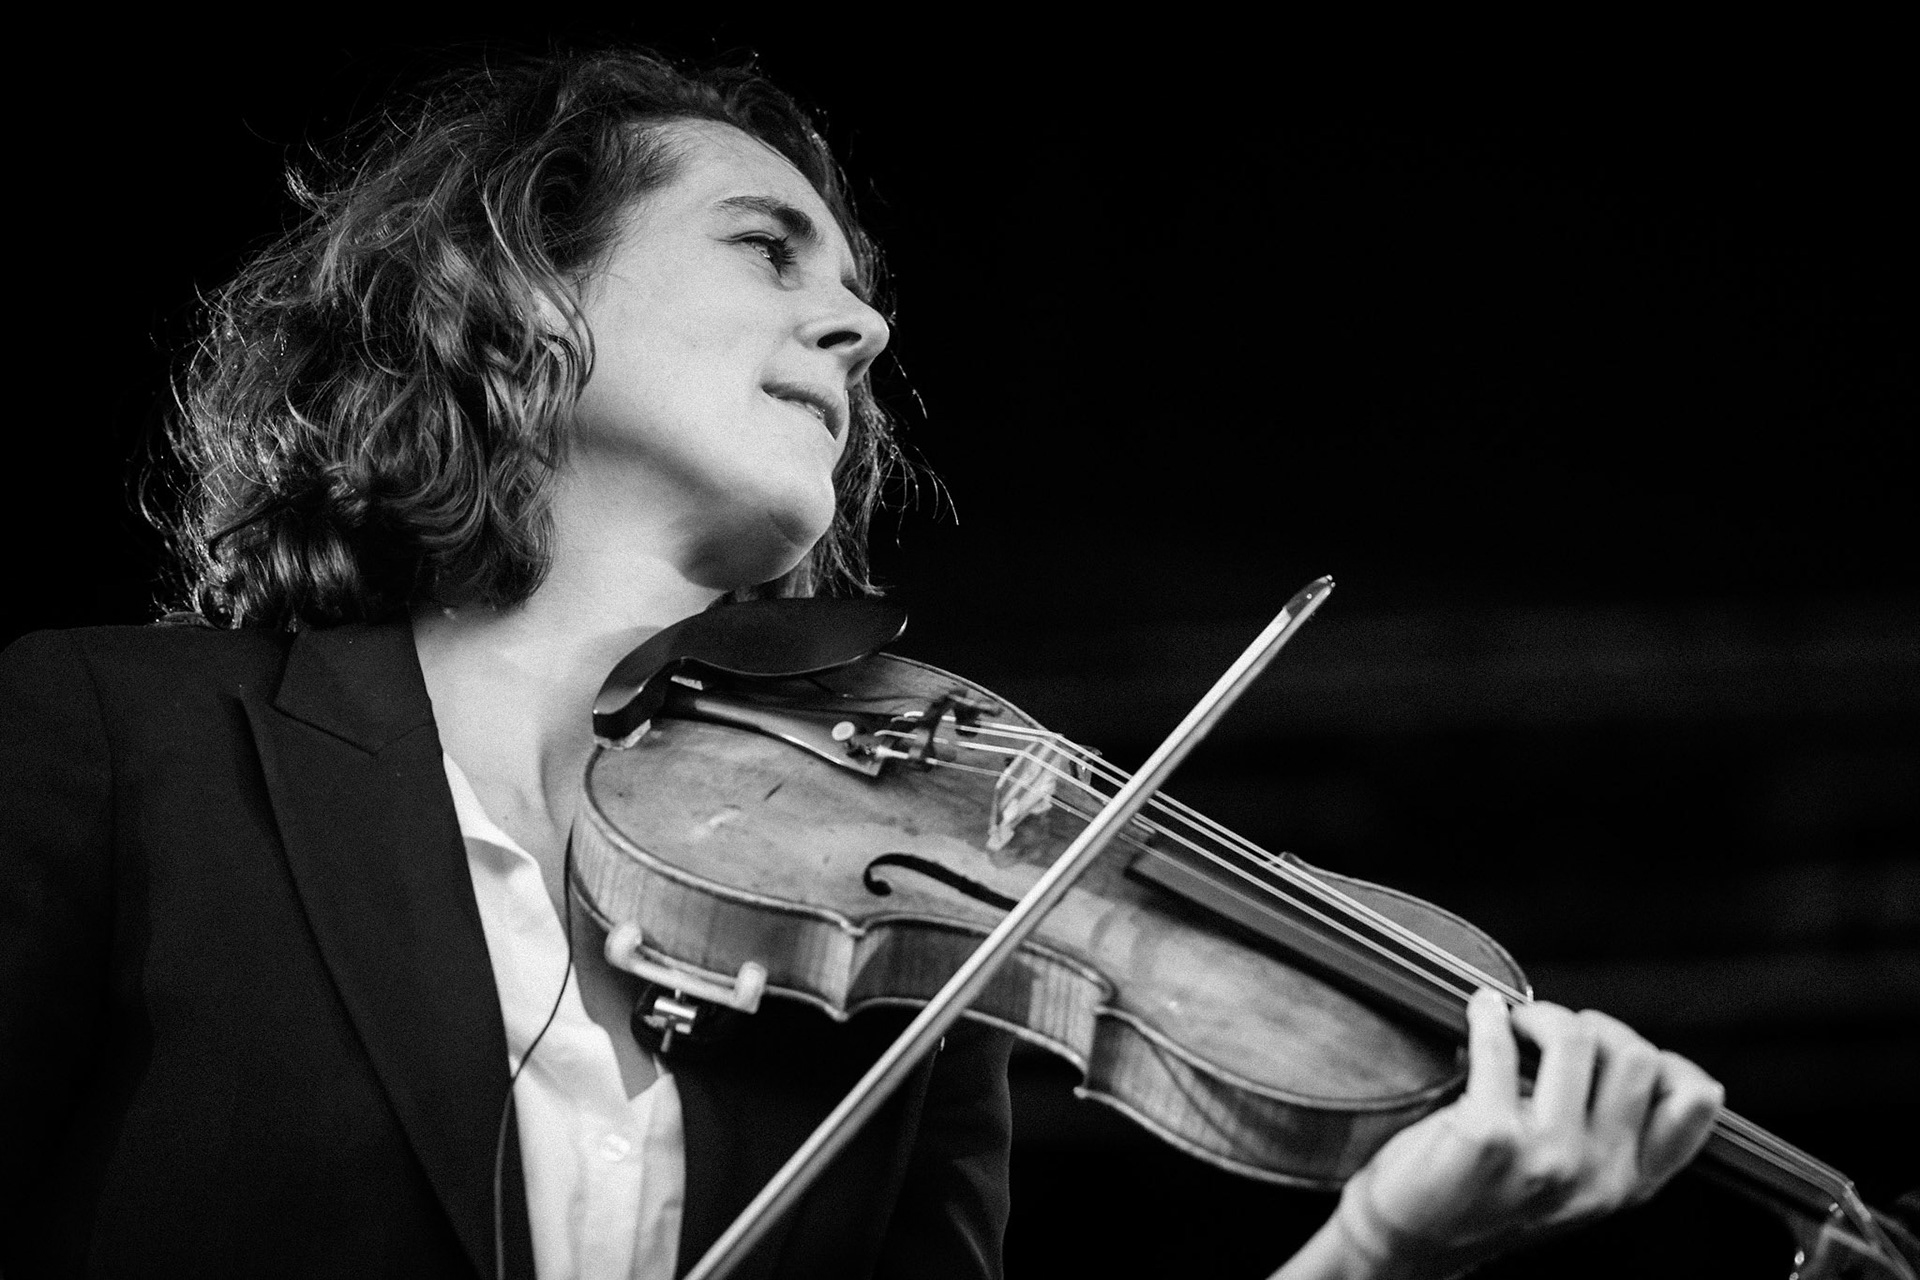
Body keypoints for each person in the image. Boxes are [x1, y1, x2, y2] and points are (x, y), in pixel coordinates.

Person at [0, 48, 1723, 1279]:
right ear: (525, 293)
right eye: (769, 249)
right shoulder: (112, 740)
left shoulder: (906, 971)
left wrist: (1377, 1250)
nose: (865, 323)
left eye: (860, 285)